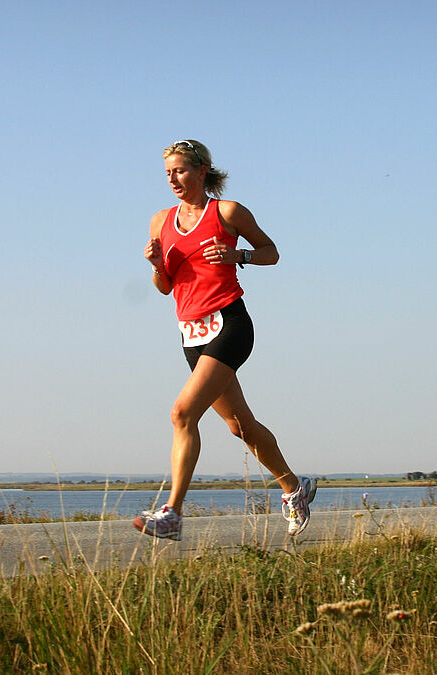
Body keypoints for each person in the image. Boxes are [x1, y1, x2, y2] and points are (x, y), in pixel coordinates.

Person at [136, 139, 316, 540]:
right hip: (191, 332)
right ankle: (294, 489)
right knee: (240, 426)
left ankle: (172, 514)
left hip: (229, 323)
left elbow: (271, 252)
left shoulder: (228, 212)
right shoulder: (159, 221)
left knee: (182, 414)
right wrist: (154, 265)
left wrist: (239, 257)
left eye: (180, 170)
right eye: (167, 173)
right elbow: (165, 287)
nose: (173, 179)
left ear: (202, 171)